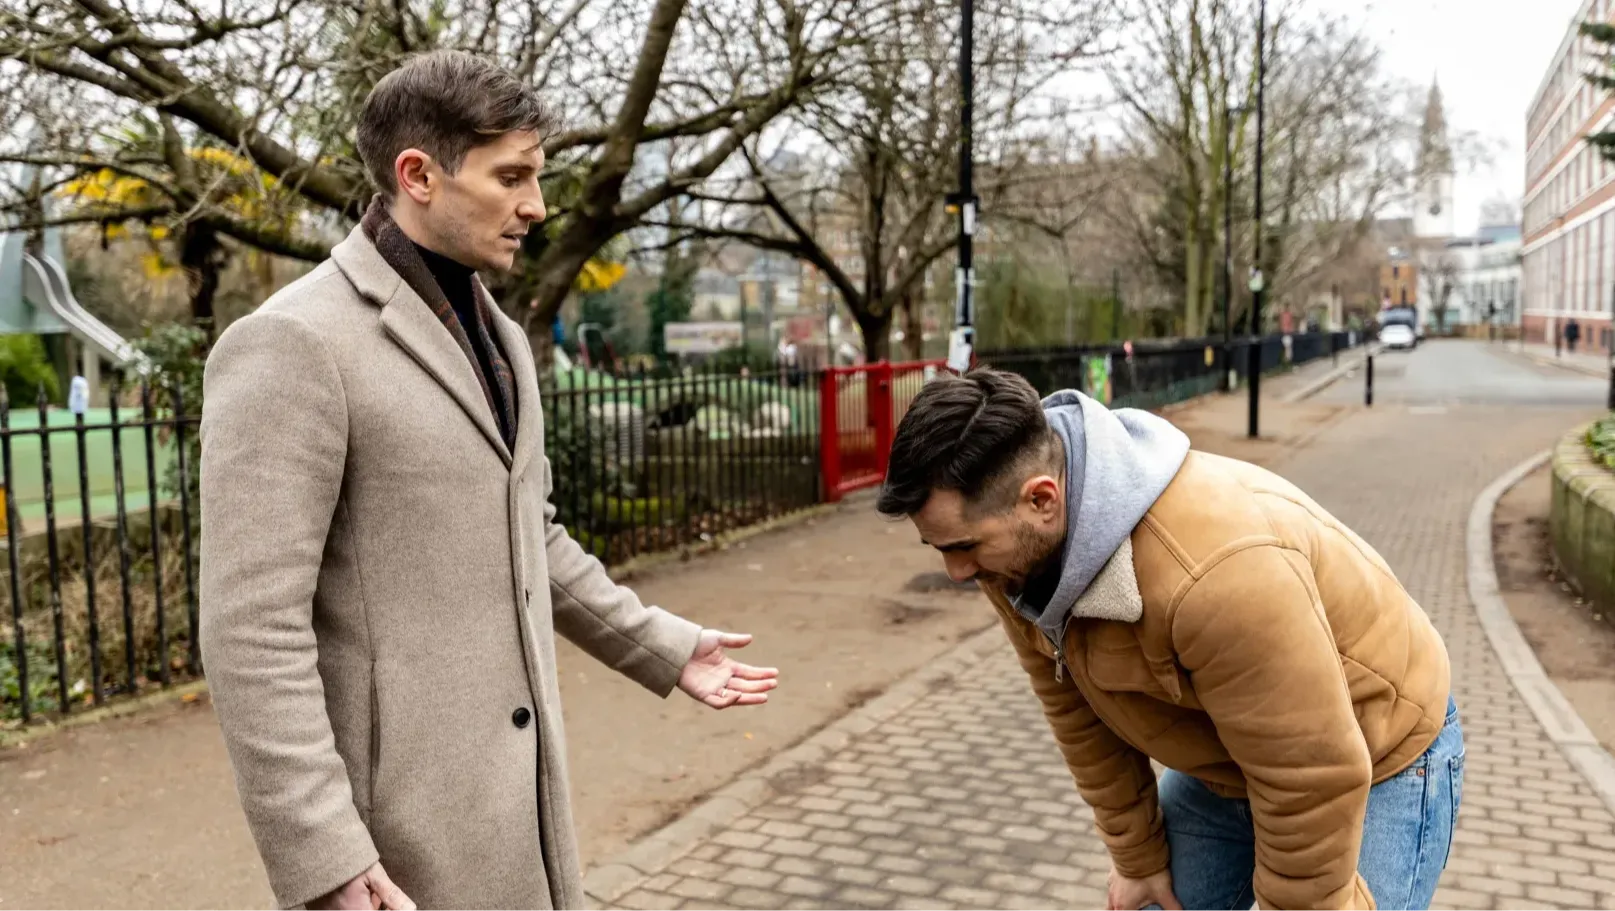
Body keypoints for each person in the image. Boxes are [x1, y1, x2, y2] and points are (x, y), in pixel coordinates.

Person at [198, 50, 778, 911]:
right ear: (418, 175)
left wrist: (658, 642)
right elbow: (251, 628)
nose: (536, 207)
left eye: (536, 176)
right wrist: (320, 851)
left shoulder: (500, 336)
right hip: (394, 844)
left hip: (521, 812)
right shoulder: (293, 342)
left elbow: (527, 536)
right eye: (511, 177)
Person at [876, 367, 1461, 911]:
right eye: (940, 548)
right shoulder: (1013, 559)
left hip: (1379, 750)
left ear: (1041, 499)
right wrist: (1136, 858)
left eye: (962, 548)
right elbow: (1075, 710)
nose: (955, 572)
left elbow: (1308, 775)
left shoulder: (1215, 573)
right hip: (1229, 756)